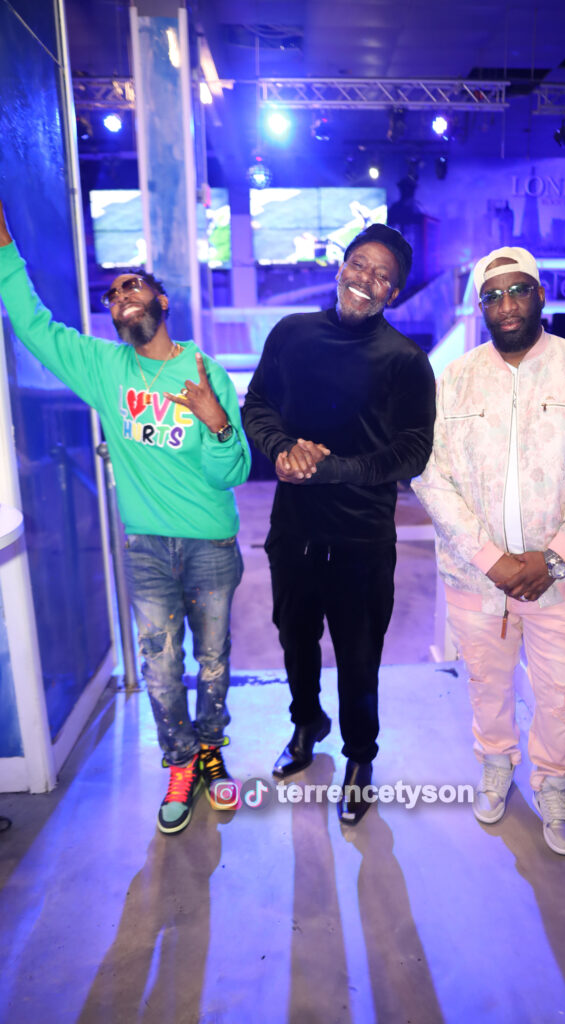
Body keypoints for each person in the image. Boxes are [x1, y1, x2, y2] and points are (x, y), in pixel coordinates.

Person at [0, 201, 251, 835]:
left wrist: (216, 423)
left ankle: (213, 749)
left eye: (132, 286)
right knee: (161, 668)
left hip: (212, 545)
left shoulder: (203, 370)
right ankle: (181, 763)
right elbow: (33, 326)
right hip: (145, 548)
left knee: (213, 660)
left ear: (162, 302)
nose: (120, 297)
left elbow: (234, 471)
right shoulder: (105, 369)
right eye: (111, 295)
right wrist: (4, 251)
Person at [413, 245, 565, 855]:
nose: (506, 304)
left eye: (517, 290)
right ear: (480, 308)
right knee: (486, 682)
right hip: (476, 577)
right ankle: (495, 763)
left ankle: (554, 784)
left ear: (539, 295)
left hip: (564, 577)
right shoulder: (452, 383)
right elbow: (429, 475)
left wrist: (553, 556)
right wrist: (491, 559)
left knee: (563, 690)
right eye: (492, 296)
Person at [242, 223, 436, 825]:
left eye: (382, 276)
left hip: (361, 540)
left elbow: (413, 452)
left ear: (393, 293)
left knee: (358, 656)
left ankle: (360, 758)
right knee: (295, 639)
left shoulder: (406, 361)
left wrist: (333, 469)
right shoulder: (292, 333)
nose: (365, 280)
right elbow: (258, 405)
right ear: (340, 267)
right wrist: (281, 449)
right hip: (294, 530)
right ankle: (307, 724)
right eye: (359, 264)